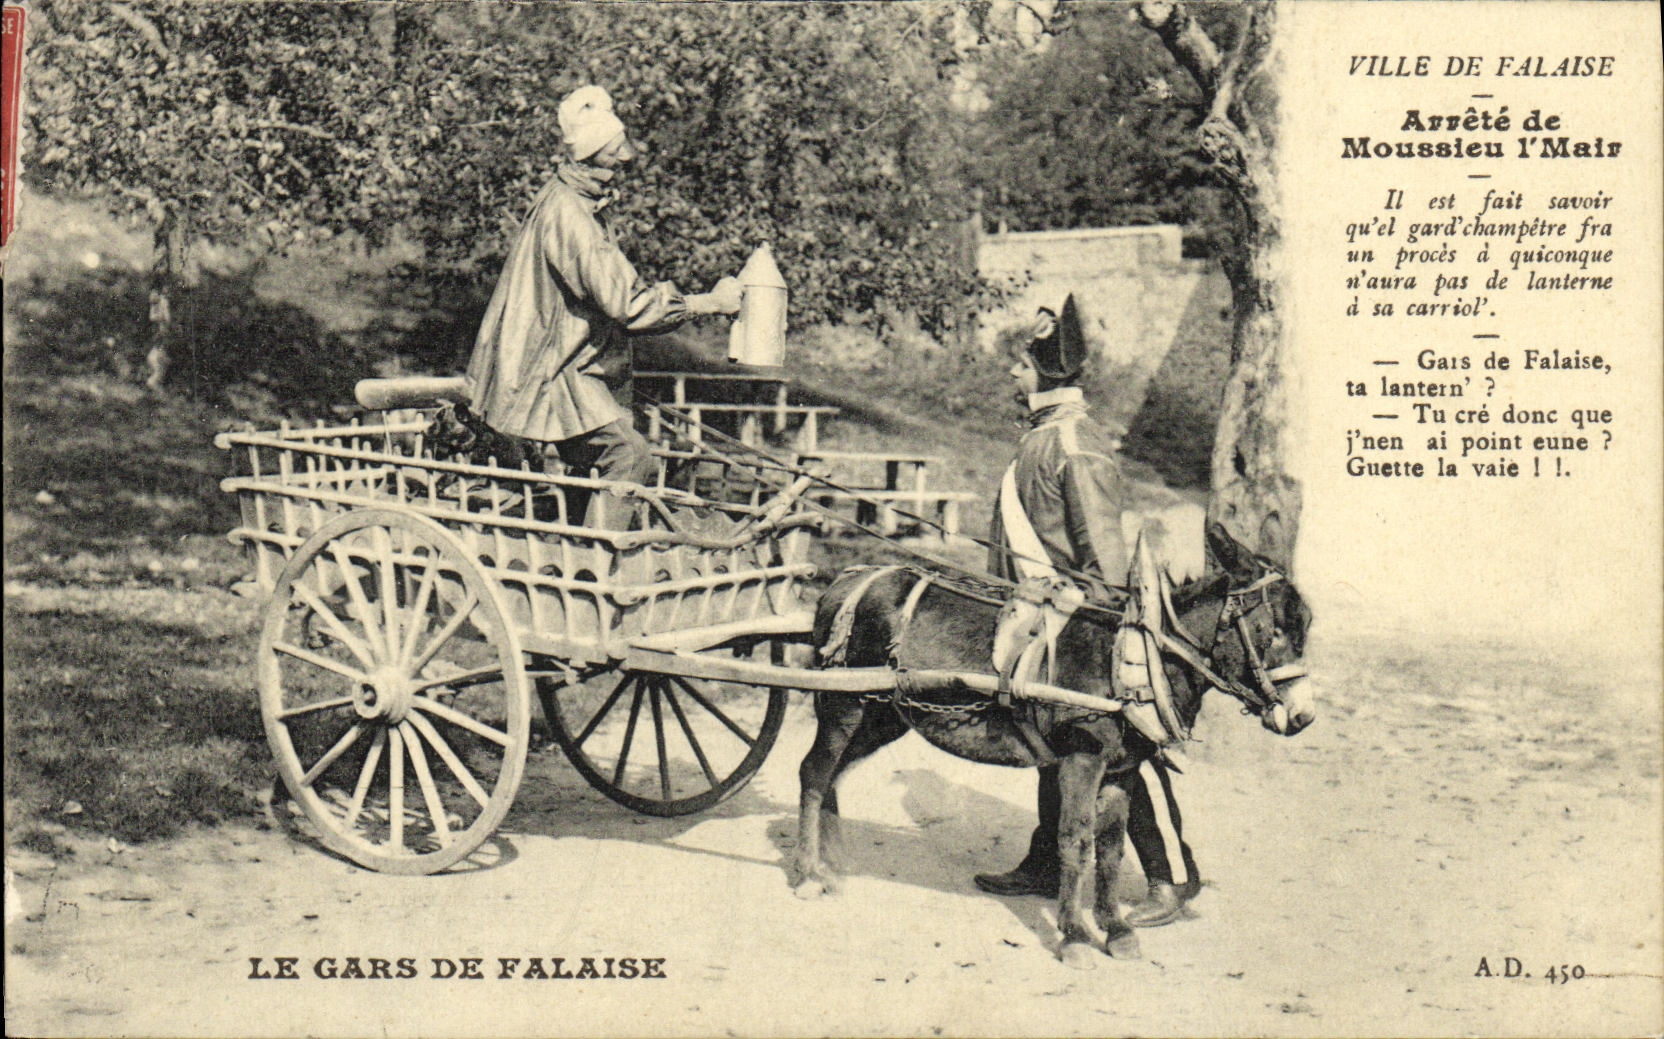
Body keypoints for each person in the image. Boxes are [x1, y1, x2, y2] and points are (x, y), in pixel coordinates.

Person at [974, 296, 1201, 928]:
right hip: (1046, 614)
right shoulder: (1043, 436)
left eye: (1022, 364)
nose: (1012, 372)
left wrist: (1106, 631)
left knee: (1122, 754)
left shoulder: (1074, 442)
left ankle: (1168, 880)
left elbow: (1100, 549)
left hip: (1085, 621)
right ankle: (1047, 861)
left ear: (1047, 376)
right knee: (1057, 740)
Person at [464, 84, 742, 524]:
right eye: (614, 156)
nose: (625, 163)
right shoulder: (572, 216)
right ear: (590, 157)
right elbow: (629, 304)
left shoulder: (565, 199)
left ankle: (573, 541)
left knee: (601, 461)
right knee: (629, 458)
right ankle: (598, 558)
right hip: (550, 373)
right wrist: (711, 301)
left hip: (556, 366)